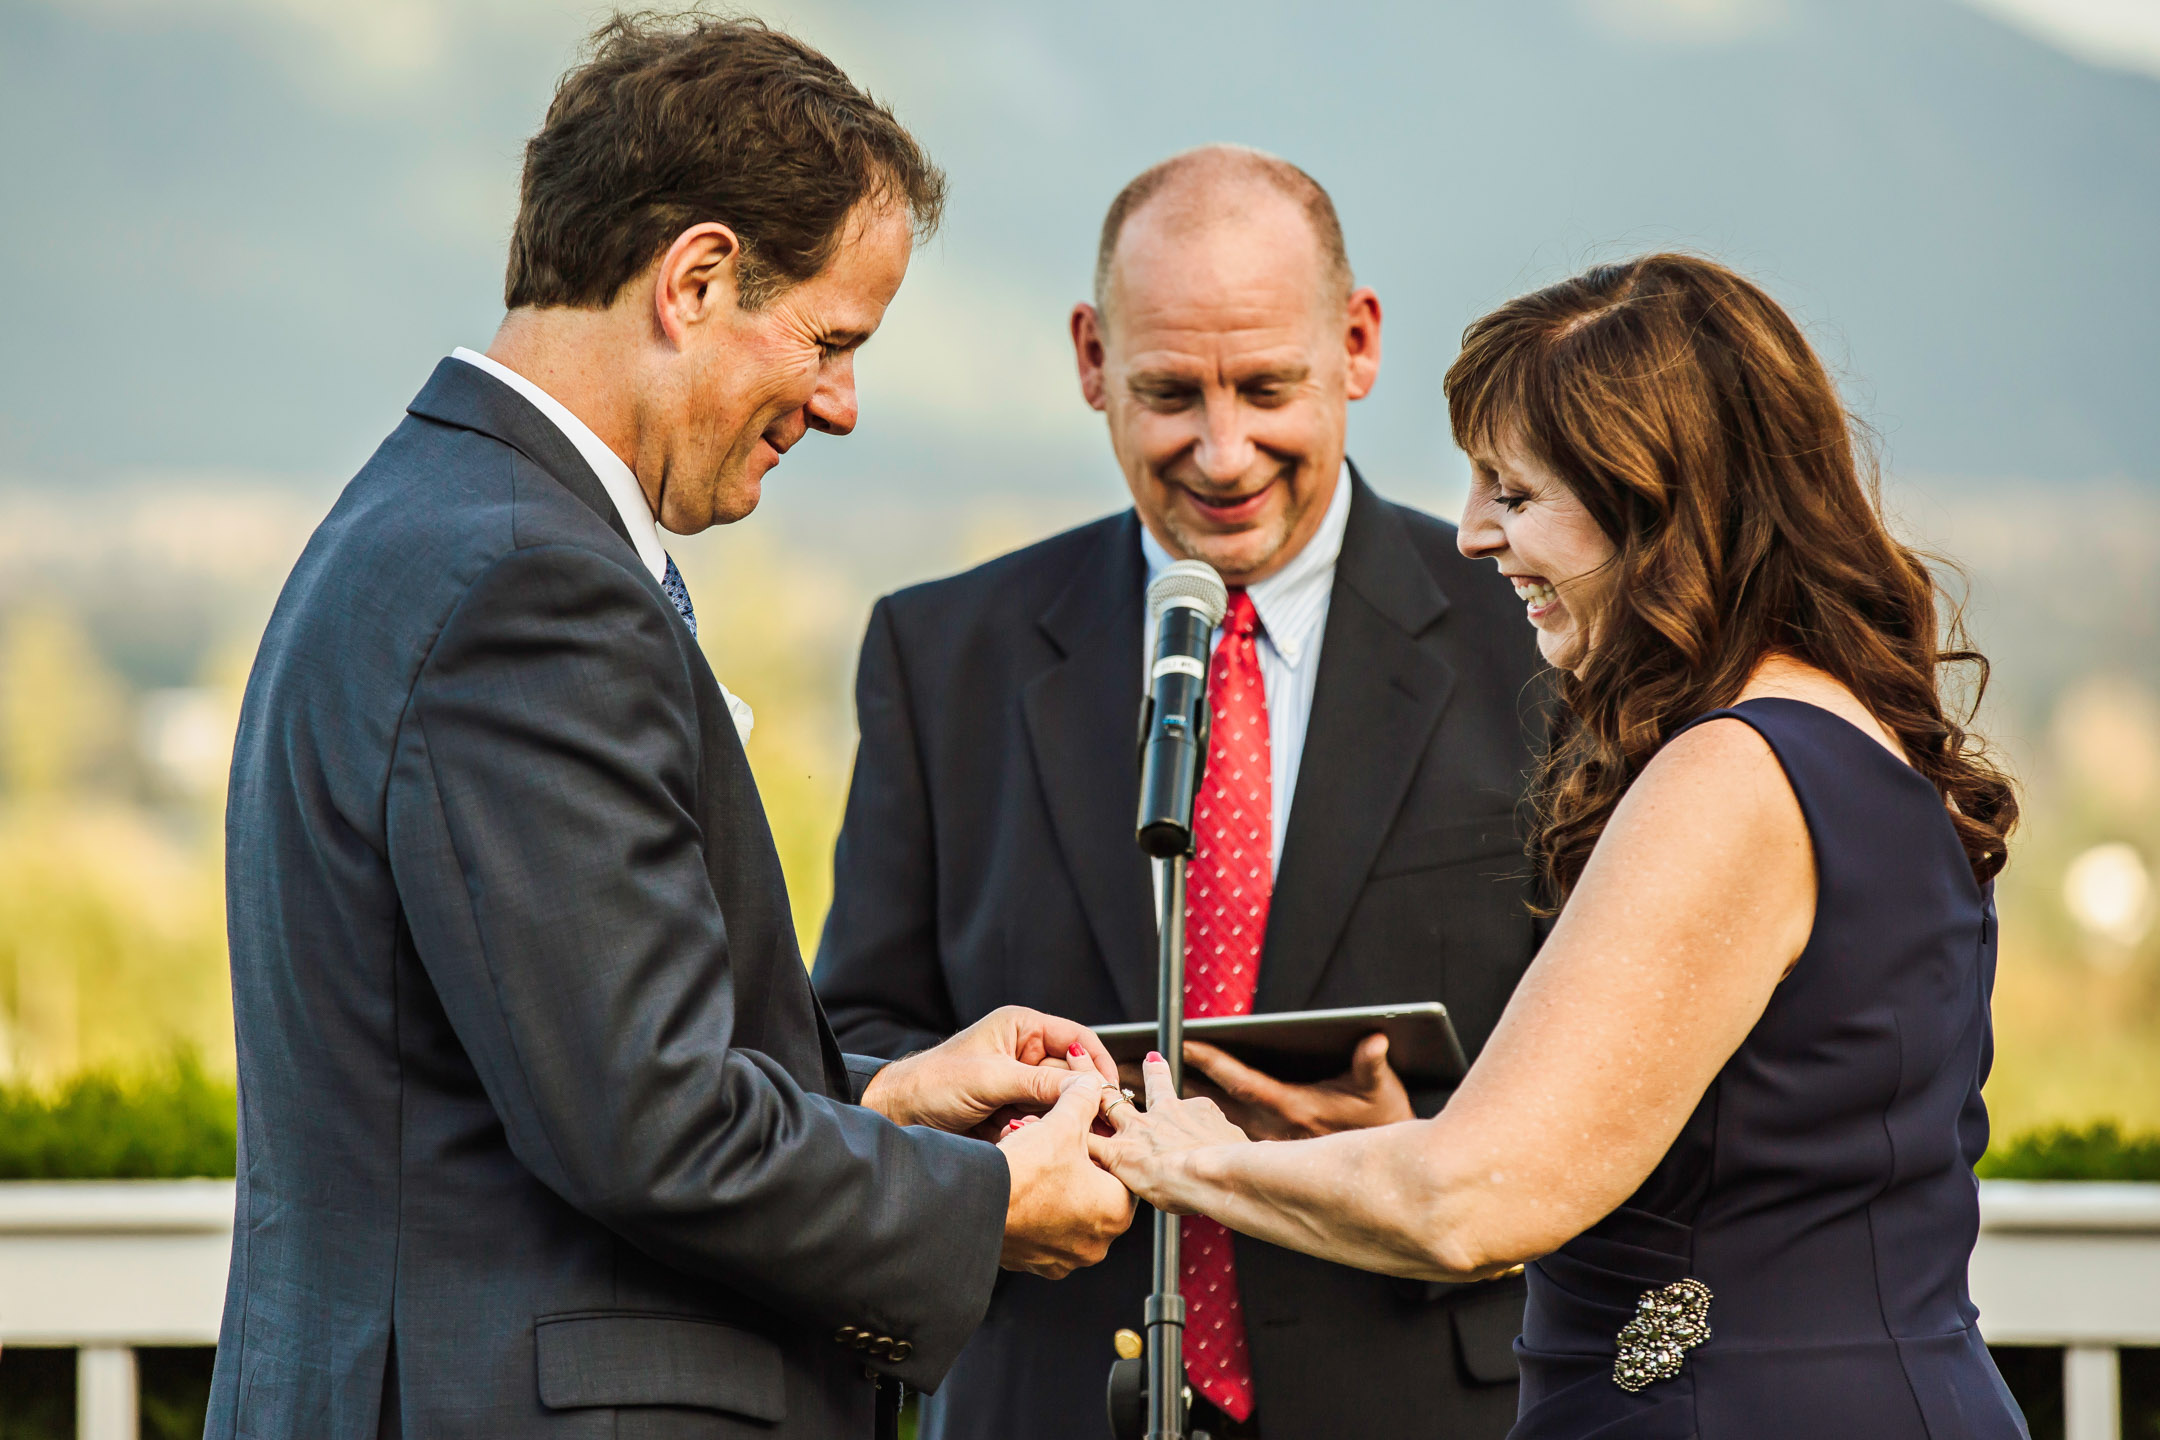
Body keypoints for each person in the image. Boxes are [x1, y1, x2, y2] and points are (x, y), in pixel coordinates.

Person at [209, 16, 1134, 1440]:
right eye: (829, 340)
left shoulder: (428, 521)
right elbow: (651, 1128)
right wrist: (988, 1204)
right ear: (696, 278)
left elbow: (562, 1053)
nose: (839, 404)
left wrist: (882, 1101)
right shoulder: (531, 584)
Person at [1090, 252, 2030, 1439]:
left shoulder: (1731, 772)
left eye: (1514, 492)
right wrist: (1399, 1150)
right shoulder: (1843, 738)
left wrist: (1186, 1157)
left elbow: (1469, 1206)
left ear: (1659, 499)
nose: (1474, 534)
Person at [813, 146, 1546, 1439]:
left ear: (1358, 345)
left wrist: (1424, 1152)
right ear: (1092, 359)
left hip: (1426, 1398)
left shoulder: (1534, 646)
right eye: (1168, 393)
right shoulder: (943, 658)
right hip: (1043, 1394)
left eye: (1268, 387)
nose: (1223, 451)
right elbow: (856, 1036)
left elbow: (1626, 1056)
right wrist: (989, 1157)